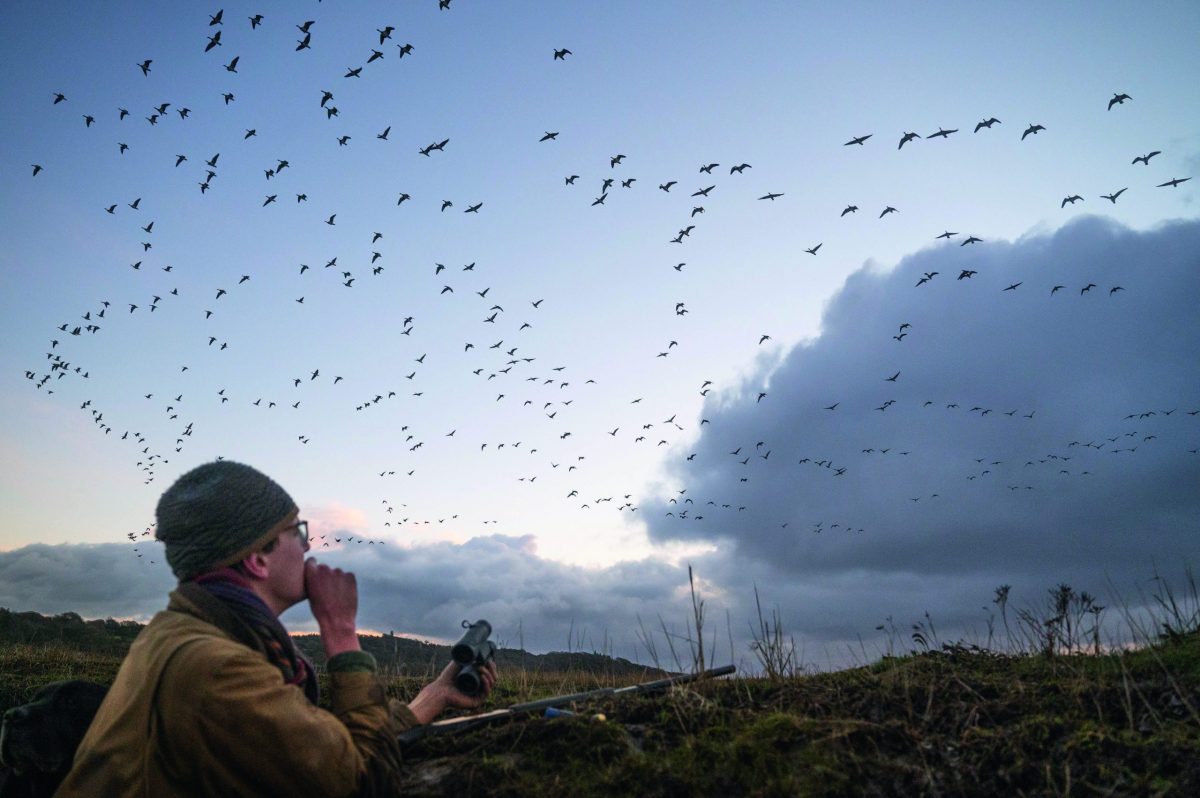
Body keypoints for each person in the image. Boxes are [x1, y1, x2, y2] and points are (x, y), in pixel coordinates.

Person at [56, 460, 497, 797]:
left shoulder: (188, 636)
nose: (307, 547)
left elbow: (319, 746)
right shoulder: (216, 668)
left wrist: (436, 696)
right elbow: (360, 780)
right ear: (257, 557)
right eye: (297, 532)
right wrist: (341, 632)